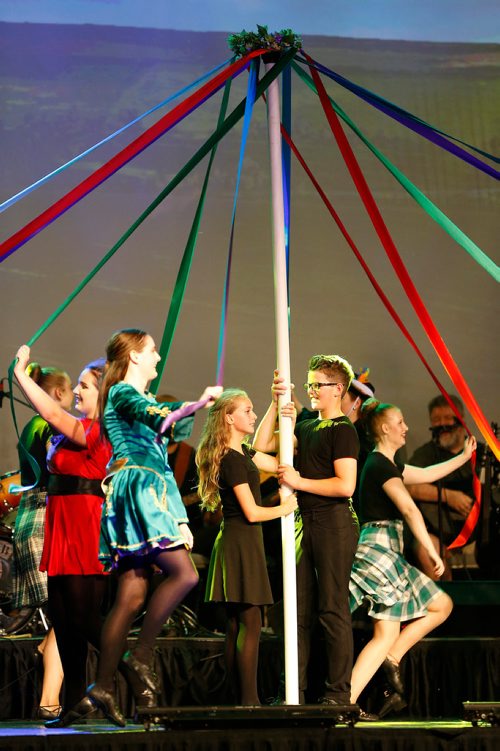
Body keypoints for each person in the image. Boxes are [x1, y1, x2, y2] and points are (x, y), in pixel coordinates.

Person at [87, 329, 222, 727]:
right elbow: (162, 416)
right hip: (138, 489)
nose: (158, 359)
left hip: (153, 491)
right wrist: (200, 401)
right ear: (133, 357)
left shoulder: (138, 397)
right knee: (185, 574)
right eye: (152, 352)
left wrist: (179, 517)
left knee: (131, 595)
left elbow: (165, 460)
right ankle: (141, 653)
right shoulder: (122, 394)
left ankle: (103, 685)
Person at [349, 398, 476, 717]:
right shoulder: (378, 465)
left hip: (389, 548)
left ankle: (389, 662)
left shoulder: (388, 464)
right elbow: (408, 507)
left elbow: (429, 473)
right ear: (385, 428)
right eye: (401, 422)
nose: (407, 428)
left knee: (437, 607)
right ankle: (345, 702)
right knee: (389, 630)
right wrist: (433, 551)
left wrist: (463, 457)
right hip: (378, 549)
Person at [13, 347, 112, 728]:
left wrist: (21, 374)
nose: (77, 392)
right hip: (60, 523)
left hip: (84, 525)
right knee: (64, 618)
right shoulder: (73, 427)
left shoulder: (97, 429)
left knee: (84, 617)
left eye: (84, 386)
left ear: (101, 393)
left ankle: (132, 671)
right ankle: (74, 702)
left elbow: (51, 412)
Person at [254, 355, 360, 708]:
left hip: (334, 523)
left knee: (332, 608)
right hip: (305, 522)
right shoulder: (306, 426)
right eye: (310, 383)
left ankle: (337, 694)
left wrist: (300, 481)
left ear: (338, 389)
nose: (312, 390)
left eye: (319, 385)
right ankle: (292, 693)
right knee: (296, 610)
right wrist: (273, 402)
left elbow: (346, 485)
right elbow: (261, 449)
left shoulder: (343, 430)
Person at [196, 389, 297, 705]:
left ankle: (238, 698)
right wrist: (284, 508)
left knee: (239, 623)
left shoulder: (239, 455)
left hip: (239, 542)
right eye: (248, 410)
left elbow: (274, 457)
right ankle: (249, 701)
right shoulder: (234, 461)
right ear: (229, 417)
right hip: (240, 542)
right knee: (249, 621)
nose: (253, 417)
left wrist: (274, 405)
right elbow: (252, 511)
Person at [9, 361, 71, 720]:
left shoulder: (29, 427)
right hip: (47, 522)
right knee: (67, 616)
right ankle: (49, 701)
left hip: (32, 517)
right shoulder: (48, 424)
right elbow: (58, 463)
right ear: (59, 393)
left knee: (66, 617)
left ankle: (51, 693)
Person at [406, 394, 480, 580]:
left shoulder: (482, 454)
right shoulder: (425, 454)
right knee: (424, 549)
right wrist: (449, 496)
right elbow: (409, 486)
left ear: (460, 419)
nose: (442, 424)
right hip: (438, 533)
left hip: (479, 532)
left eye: (447, 418)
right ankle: (444, 602)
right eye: (436, 420)